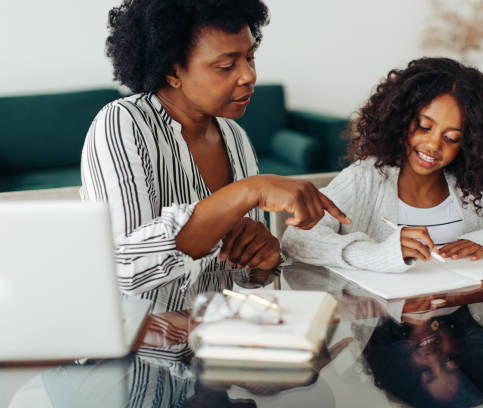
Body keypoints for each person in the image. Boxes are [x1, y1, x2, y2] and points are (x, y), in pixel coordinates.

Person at [80, 0, 350, 313]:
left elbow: (239, 278)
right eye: (226, 66)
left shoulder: (235, 138)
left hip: (215, 343)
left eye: (250, 57)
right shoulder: (122, 121)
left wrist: (264, 258)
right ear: (172, 70)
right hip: (138, 349)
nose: (249, 76)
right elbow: (127, 266)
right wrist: (251, 190)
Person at [281, 57, 483, 273]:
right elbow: (298, 240)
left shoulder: (482, 186)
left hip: (468, 327)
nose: (434, 145)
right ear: (400, 120)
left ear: (471, 143)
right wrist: (376, 254)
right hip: (386, 332)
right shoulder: (366, 180)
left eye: (452, 138)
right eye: (424, 127)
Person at [362, 310, 483, 407]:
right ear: (463, 346)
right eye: (448, 360)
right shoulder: (472, 298)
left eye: (426, 370)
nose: (434, 357)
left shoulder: (369, 312)